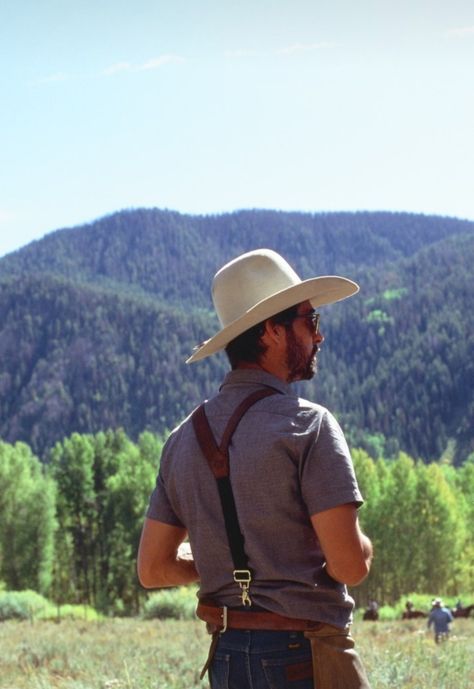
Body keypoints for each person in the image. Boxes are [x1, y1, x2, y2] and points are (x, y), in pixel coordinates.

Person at [137, 248, 373, 689]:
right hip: (308, 655)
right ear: (271, 330)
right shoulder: (309, 425)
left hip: (225, 658)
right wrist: (364, 546)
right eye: (311, 320)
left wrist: (214, 560)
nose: (318, 336)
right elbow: (350, 568)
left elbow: (153, 569)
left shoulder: (182, 438)